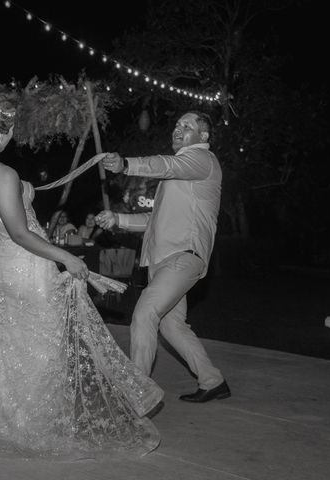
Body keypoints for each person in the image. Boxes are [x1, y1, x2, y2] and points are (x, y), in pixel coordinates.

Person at [0, 94, 162, 459]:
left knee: (4, 345)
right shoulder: (3, 175)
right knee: (41, 346)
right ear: (2, 131)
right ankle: (32, 424)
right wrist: (68, 259)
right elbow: (21, 233)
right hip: (27, 268)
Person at [96, 111, 230, 403]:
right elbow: (155, 219)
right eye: (176, 125)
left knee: (145, 313)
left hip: (183, 256)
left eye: (187, 126)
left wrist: (126, 165)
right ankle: (213, 381)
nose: (178, 129)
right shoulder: (183, 173)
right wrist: (117, 219)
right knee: (172, 325)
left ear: (203, 136)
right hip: (165, 261)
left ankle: (135, 395)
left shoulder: (202, 160)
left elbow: (165, 164)